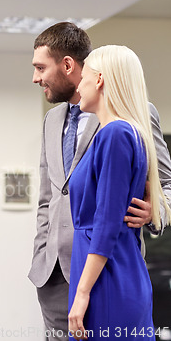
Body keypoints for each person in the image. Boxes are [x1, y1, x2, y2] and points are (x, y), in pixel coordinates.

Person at [28, 22, 171, 341]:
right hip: (53, 272)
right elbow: (48, 197)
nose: (35, 78)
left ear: (67, 65)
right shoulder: (51, 120)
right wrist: (42, 251)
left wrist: (155, 212)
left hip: (105, 265)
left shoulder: (129, 119)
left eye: (40, 67)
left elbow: (164, 183)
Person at [68, 44, 171, 340]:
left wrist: (83, 292)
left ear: (99, 79)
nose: (80, 85)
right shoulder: (116, 132)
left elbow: (107, 221)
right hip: (102, 267)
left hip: (108, 274)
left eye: (84, 76)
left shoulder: (116, 134)